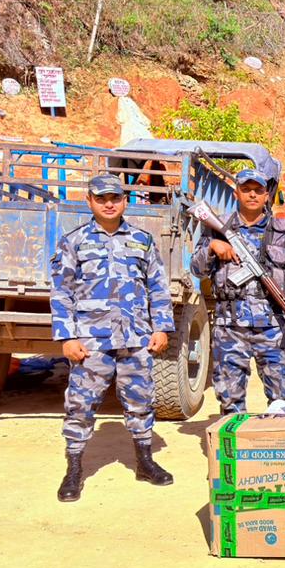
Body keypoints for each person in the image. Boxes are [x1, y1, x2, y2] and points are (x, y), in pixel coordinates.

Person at [50, 174, 175, 502]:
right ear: (89, 201)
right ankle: (75, 468)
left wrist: (161, 327)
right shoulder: (73, 241)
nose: (109, 203)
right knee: (80, 404)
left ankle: (145, 462)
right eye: (101, 198)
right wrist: (66, 336)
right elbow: (61, 291)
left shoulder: (142, 240)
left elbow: (158, 287)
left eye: (115, 198)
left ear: (125, 201)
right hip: (91, 340)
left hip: (136, 338)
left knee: (141, 401)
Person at [191, 168, 285, 415]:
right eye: (246, 190)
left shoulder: (283, 231)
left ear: (267, 196)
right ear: (237, 193)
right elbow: (197, 269)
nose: (252, 195)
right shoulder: (217, 228)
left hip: (274, 328)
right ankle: (233, 450)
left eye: (258, 191)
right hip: (230, 328)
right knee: (230, 400)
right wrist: (213, 247)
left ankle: (275, 448)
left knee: (282, 401)